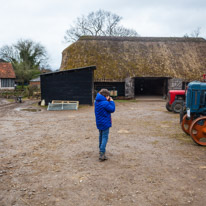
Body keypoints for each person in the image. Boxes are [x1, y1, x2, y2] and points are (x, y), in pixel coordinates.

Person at [94, 89, 115, 161]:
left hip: (99, 122)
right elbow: (112, 109)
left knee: (101, 136)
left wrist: (107, 100)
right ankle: (102, 153)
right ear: (106, 96)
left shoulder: (96, 101)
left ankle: (101, 150)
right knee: (105, 137)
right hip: (105, 122)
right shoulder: (105, 103)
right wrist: (111, 101)